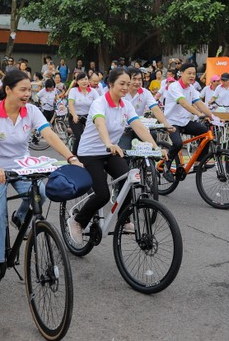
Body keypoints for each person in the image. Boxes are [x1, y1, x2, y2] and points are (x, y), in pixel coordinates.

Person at [0, 69, 82, 297]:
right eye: (22, 90)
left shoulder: (32, 111)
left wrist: (71, 158)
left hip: (22, 165)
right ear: (8, 90)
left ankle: (20, 217)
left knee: (42, 193)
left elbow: (49, 134)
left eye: (29, 90)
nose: (27, 94)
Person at [66, 68, 166, 245]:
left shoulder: (125, 105)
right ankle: (78, 221)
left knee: (129, 179)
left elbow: (138, 126)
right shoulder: (99, 103)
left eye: (128, 84)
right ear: (110, 84)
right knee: (102, 195)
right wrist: (108, 143)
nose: (126, 87)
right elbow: (99, 123)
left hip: (110, 151)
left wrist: (155, 147)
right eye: (122, 83)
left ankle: (125, 219)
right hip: (90, 153)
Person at [163, 62, 216, 158]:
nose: (192, 76)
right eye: (189, 73)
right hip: (172, 122)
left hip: (185, 122)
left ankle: (199, 162)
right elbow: (184, 103)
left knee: (205, 132)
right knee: (178, 144)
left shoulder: (191, 88)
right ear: (181, 73)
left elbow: (199, 103)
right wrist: (199, 114)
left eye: (194, 74)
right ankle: (166, 163)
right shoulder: (174, 86)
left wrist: (212, 116)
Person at [67, 72, 98, 153]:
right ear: (77, 82)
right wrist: (74, 115)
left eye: (86, 79)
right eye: (81, 79)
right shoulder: (73, 91)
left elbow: (99, 104)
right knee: (79, 137)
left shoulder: (93, 92)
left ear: (88, 81)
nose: (84, 81)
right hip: (76, 117)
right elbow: (70, 104)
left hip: (88, 117)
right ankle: (74, 156)